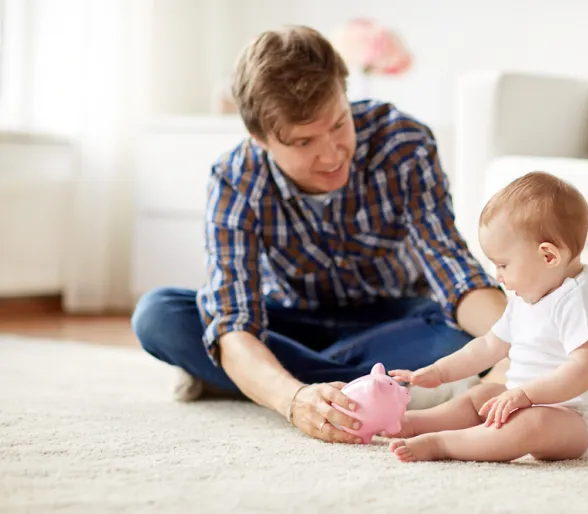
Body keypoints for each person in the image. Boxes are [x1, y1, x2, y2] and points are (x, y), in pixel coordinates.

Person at [130, 25, 508, 445]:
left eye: (338, 124)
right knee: (160, 314)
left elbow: (453, 272)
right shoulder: (236, 177)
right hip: (288, 320)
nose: (331, 155)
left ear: (345, 95)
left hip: (395, 319)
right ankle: (376, 390)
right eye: (304, 141)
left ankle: (243, 379)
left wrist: (520, 339)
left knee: (460, 338)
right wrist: (293, 401)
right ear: (260, 140)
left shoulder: (403, 143)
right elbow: (234, 319)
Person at [386, 171, 588, 463]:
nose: (497, 276)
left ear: (548, 256)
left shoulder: (581, 301)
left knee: (531, 424)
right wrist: (439, 371)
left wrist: (526, 395)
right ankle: (413, 423)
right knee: (481, 396)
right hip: (524, 399)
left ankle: (445, 445)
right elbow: (488, 347)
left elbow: (584, 370)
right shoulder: (524, 300)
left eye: (503, 265)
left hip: (577, 420)